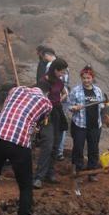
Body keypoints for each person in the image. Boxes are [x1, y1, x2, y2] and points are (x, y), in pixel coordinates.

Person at [0, 85, 53, 215]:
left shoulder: (16, 90)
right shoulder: (46, 103)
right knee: (26, 185)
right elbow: (39, 122)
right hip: (18, 141)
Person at [33, 57, 69, 188]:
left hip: (58, 114)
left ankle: (50, 173)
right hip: (47, 115)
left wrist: (59, 99)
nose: (63, 74)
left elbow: (64, 93)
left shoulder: (59, 82)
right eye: (62, 72)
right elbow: (41, 99)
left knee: (55, 145)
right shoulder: (43, 82)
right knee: (47, 145)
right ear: (55, 70)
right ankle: (38, 177)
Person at [65, 65, 105, 177]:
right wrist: (74, 107)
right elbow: (69, 105)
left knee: (93, 148)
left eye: (88, 78)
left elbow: (101, 106)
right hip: (79, 125)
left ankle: (92, 172)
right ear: (81, 78)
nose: (86, 80)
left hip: (95, 125)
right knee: (78, 148)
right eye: (84, 78)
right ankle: (77, 170)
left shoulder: (97, 91)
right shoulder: (76, 91)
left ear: (92, 78)